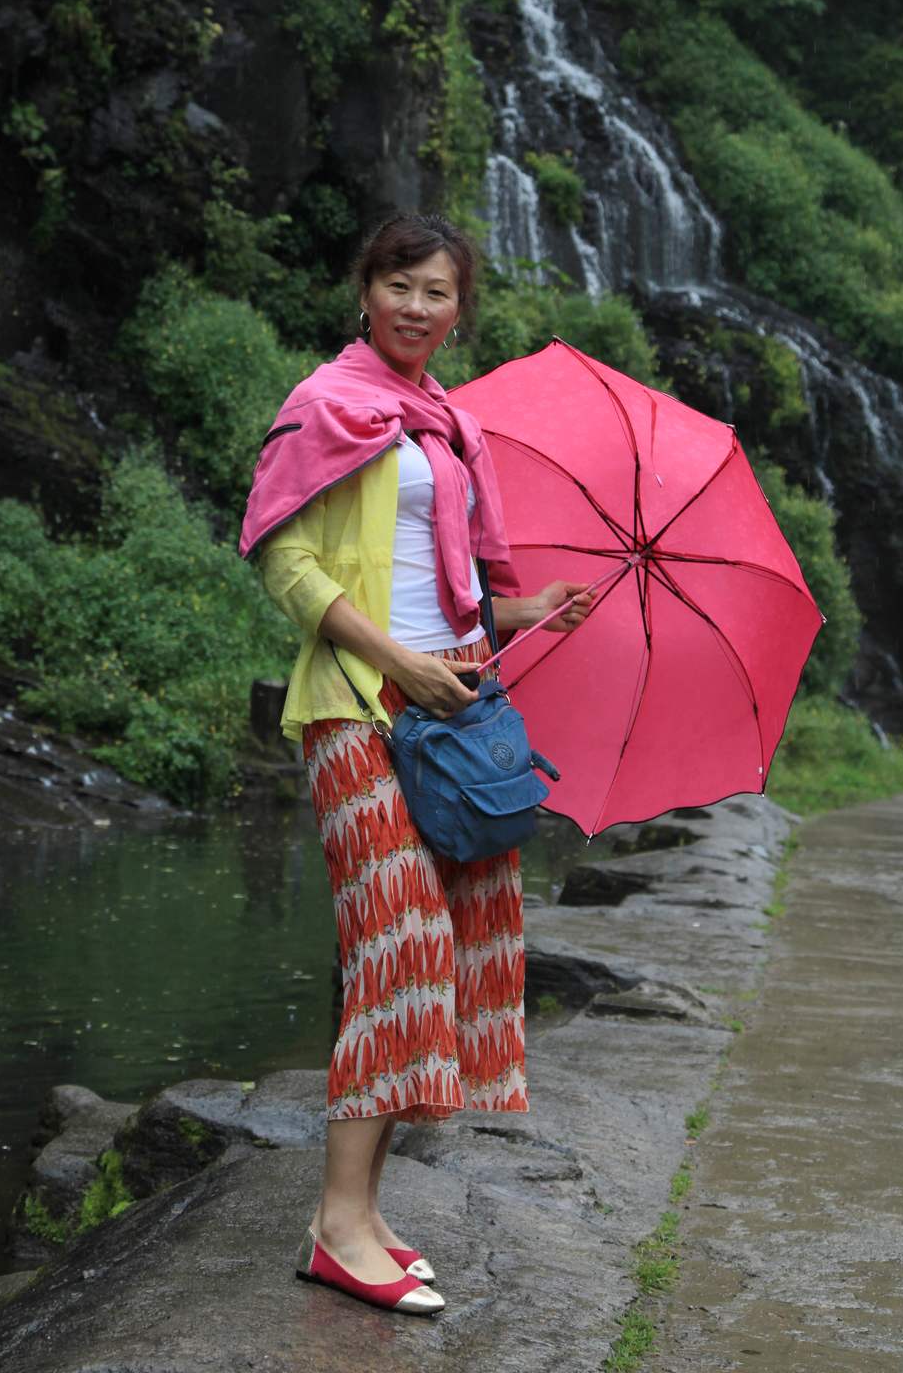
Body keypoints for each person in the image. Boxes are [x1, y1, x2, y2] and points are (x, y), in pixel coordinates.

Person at [239, 212, 592, 1316]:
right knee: (398, 940)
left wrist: (521, 609)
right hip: (354, 708)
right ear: (365, 288)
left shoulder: (444, 427)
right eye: (400, 283)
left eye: (438, 291)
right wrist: (399, 660)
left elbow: (446, 580)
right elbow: (281, 559)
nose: (417, 306)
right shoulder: (327, 404)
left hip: (447, 710)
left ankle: (359, 1209)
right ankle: (340, 1226)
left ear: (457, 307)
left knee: (442, 942)